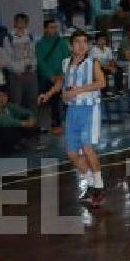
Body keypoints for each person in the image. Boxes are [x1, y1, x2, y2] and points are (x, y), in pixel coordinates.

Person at [38, 30, 107, 206]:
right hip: (72, 112)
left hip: (89, 109)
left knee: (87, 148)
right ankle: (91, 184)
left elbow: (101, 83)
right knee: (71, 153)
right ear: (71, 45)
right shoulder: (66, 63)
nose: (82, 45)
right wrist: (48, 93)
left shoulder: (93, 62)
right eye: (78, 42)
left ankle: (99, 187)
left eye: (85, 42)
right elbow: (61, 82)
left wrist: (78, 90)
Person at [35, 19, 71, 134]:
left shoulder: (62, 42)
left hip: (62, 76)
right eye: (51, 27)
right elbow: (40, 62)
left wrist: (63, 74)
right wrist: (51, 76)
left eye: (55, 27)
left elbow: (67, 58)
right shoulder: (39, 44)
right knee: (50, 101)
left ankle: (65, 123)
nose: (54, 30)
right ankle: (50, 124)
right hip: (48, 77)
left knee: (66, 99)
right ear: (45, 29)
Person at [0, 88, 39, 155]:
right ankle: (19, 142)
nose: (2, 99)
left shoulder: (9, 106)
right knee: (7, 127)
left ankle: (20, 142)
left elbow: (27, 112)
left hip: (4, 136)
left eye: (5, 96)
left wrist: (31, 119)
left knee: (26, 121)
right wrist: (24, 123)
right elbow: (3, 121)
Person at [3, 13, 39, 115]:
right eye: (19, 22)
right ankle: (18, 126)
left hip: (31, 73)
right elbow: (7, 58)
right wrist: (17, 70)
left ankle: (33, 124)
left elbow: (35, 54)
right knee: (16, 101)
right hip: (16, 75)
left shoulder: (32, 36)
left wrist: (32, 67)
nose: (21, 24)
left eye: (23, 22)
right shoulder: (8, 38)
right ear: (15, 23)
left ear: (26, 23)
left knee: (33, 100)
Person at [90, 32, 123, 97]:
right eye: (101, 39)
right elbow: (96, 63)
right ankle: (104, 92)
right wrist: (108, 67)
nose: (103, 41)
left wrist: (113, 66)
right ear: (97, 41)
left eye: (104, 39)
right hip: (95, 69)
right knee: (102, 71)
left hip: (106, 67)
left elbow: (111, 60)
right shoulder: (93, 50)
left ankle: (118, 90)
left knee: (119, 70)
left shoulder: (107, 49)